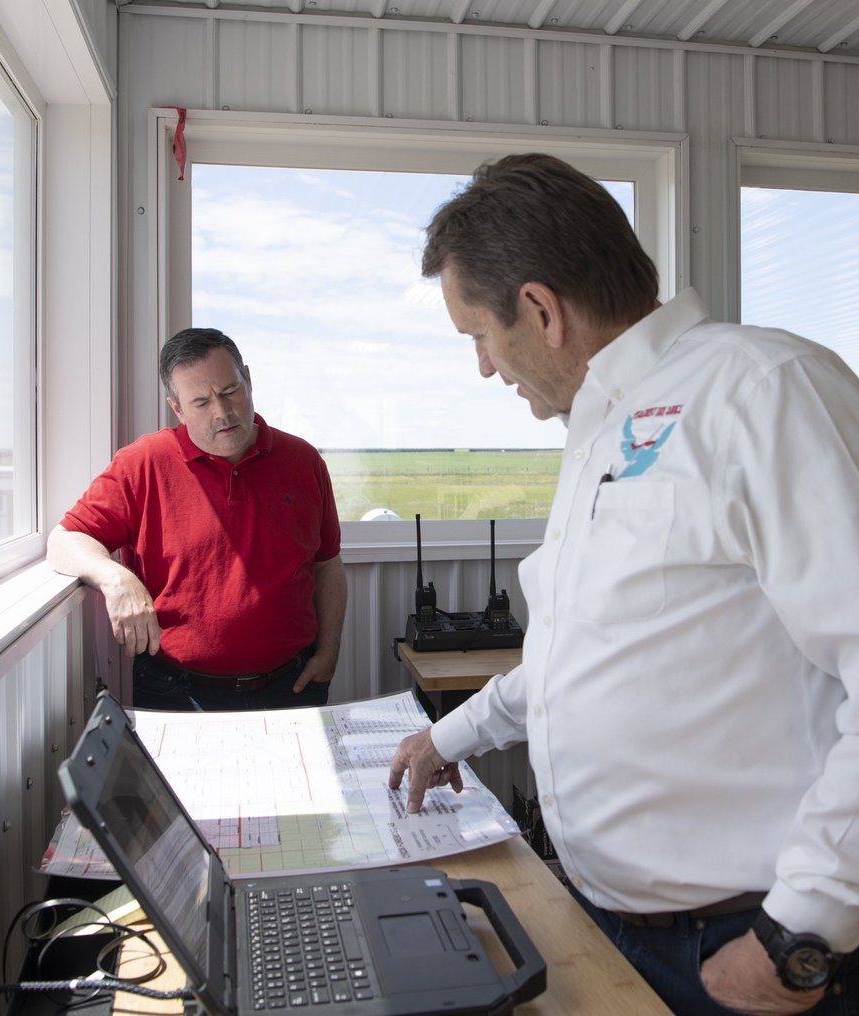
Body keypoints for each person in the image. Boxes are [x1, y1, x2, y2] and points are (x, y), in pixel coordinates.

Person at [387, 153, 858, 1015]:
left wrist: (799, 933)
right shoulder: (601, 427)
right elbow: (588, 654)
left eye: (479, 337)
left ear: (540, 310)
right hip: (620, 926)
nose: (486, 368)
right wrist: (448, 737)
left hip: (747, 948)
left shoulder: (763, 390)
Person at [48, 327, 346, 711]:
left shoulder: (304, 461)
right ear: (177, 409)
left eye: (229, 392)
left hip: (291, 686)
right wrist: (116, 577)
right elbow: (65, 540)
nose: (222, 413)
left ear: (249, 380)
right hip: (175, 691)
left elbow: (327, 565)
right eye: (201, 402)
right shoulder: (144, 463)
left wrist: (329, 653)